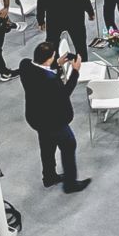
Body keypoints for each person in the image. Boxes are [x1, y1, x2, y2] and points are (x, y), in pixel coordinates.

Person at [19, 41, 90, 193]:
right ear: (49, 58)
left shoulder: (24, 65)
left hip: (36, 117)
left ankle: (49, 177)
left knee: (47, 146)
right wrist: (75, 71)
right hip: (54, 120)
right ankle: (70, 184)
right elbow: (64, 93)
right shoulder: (50, 80)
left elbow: (41, 71)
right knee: (69, 145)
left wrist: (57, 64)